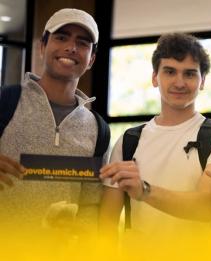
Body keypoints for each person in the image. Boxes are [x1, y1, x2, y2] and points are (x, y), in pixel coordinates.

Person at [98, 33, 211, 259]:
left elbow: (205, 208)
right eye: (170, 71)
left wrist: (144, 191)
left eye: (190, 73)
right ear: (155, 77)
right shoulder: (128, 141)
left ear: (202, 81)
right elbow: (106, 223)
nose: (180, 82)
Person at [0, 7, 107, 257]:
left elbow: (91, 205)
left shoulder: (97, 129)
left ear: (91, 59)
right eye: (61, 37)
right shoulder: (5, 102)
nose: (71, 47)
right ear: (42, 47)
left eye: (82, 43)